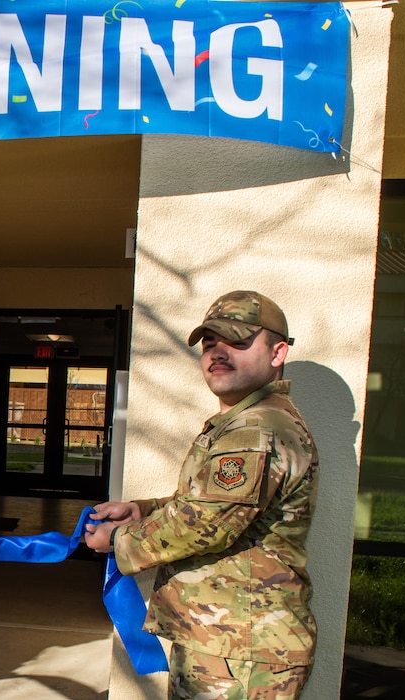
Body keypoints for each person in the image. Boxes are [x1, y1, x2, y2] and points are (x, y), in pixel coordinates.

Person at [83, 290, 318, 699]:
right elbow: (206, 503)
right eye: (210, 344)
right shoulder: (243, 422)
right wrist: (142, 510)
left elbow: (205, 524)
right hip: (225, 640)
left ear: (277, 353)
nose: (217, 353)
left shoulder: (257, 430)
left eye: (237, 341)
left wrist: (118, 540)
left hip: (241, 650)